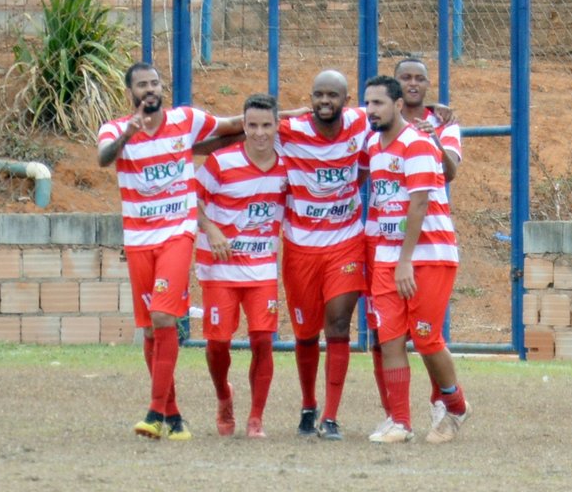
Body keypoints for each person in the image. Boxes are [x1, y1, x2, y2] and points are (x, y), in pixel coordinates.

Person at [97, 62, 243, 441]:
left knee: (163, 315)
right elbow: (103, 158)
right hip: (138, 239)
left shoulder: (185, 120)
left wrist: (286, 117)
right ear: (130, 92)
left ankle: (154, 411)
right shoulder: (115, 128)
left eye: (155, 83)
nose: (150, 89)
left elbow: (231, 125)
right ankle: (173, 415)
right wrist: (128, 133)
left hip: (178, 233)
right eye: (142, 85)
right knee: (149, 327)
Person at [361, 75, 470, 444]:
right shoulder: (375, 148)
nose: (371, 111)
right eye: (367, 104)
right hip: (390, 255)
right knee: (389, 338)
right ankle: (401, 423)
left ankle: (456, 406)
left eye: (378, 103)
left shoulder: (418, 144)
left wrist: (404, 261)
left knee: (425, 338)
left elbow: (419, 204)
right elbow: (381, 204)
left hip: (429, 254)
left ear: (396, 105)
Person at [277, 70, 371, 440]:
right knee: (304, 334)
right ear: (310, 98)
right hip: (300, 248)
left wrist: (436, 111)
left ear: (346, 101)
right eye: (318, 95)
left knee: (338, 326)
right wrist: (285, 113)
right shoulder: (293, 130)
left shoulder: (360, 123)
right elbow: (255, 125)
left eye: (332, 95)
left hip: (345, 242)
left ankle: (331, 417)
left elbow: (397, 108)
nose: (324, 102)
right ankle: (308, 404)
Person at [195, 93, 287, 439]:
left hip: (262, 268)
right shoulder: (221, 162)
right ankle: (224, 397)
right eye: (252, 125)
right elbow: (192, 199)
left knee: (263, 340)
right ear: (243, 126)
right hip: (219, 268)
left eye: (266, 125)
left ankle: (256, 418)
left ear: (278, 126)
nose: (260, 133)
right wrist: (212, 228)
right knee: (218, 344)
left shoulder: (287, 167)